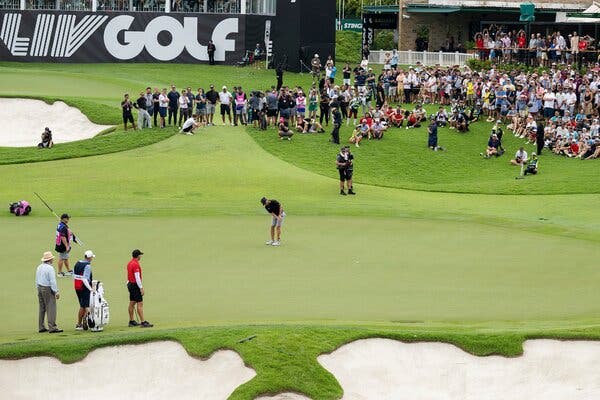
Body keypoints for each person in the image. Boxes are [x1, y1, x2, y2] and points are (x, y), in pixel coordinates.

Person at [36, 251, 62, 333]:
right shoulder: (50, 268)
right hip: (47, 288)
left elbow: (36, 279)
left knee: (42, 308)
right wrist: (56, 292)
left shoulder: (39, 266)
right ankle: (52, 327)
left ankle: (41, 327)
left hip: (40, 287)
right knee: (51, 307)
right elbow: (52, 282)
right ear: (50, 260)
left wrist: (38, 288)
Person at [127, 249, 153, 327]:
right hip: (135, 285)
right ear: (138, 256)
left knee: (132, 302)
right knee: (140, 303)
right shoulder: (135, 264)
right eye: (140, 255)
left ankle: (131, 321)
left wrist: (128, 284)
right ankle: (143, 322)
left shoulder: (130, 263)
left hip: (130, 284)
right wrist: (141, 288)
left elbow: (129, 275)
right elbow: (137, 277)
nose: (141, 256)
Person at [73, 250, 95, 331]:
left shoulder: (77, 263)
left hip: (77, 287)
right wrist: (90, 289)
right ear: (89, 258)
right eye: (92, 257)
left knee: (82, 305)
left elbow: (74, 275)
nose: (92, 259)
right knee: (86, 306)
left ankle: (79, 324)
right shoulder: (87, 266)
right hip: (84, 288)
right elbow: (85, 279)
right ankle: (88, 319)